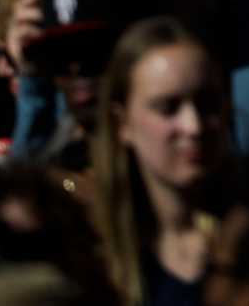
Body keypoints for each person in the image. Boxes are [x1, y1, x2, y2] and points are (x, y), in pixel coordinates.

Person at [90, 17, 236, 304]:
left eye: (207, 104)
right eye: (168, 108)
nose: (193, 126)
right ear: (122, 123)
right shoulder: (95, 259)